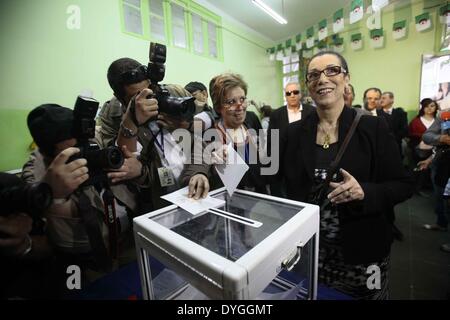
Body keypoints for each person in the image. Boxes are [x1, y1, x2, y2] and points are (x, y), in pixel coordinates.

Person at [280, 51, 414, 299]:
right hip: (311, 252)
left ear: (346, 78)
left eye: (332, 70)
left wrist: (365, 191)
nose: (322, 79)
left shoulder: (373, 128)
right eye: (314, 75)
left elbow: (404, 184)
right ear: (309, 85)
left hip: (363, 252)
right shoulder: (293, 133)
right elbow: (270, 177)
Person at [22, 104, 139, 297]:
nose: (83, 153)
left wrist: (136, 168)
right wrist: (54, 194)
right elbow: (58, 238)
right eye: (72, 151)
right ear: (47, 153)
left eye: (83, 144)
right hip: (84, 262)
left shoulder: (96, 140)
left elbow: (128, 152)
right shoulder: (38, 174)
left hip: (126, 243)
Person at [97, 58, 209, 211]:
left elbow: (203, 129)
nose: (147, 101)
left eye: (148, 91)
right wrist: (131, 120)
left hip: (195, 188)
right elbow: (124, 165)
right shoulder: (112, 116)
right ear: (120, 98)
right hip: (156, 203)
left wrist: (187, 125)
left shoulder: (172, 93)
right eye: (137, 97)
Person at [183, 73, 267, 194]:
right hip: (229, 204)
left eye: (242, 99)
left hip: (258, 199)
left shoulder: (251, 122)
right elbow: (197, 167)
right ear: (219, 107)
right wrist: (204, 172)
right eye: (231, 102)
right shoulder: (210, 135)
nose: (239, 106)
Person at [268, 82, 315, 196]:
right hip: (284, 165)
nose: (292, 95)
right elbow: (272, 142)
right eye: (288, 93)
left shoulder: (312, 112)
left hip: (306, 164)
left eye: (295, 92)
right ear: (285, 96)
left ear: (301, 94)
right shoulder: (276, 115)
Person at [422, 109, 450, 232]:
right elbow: (427, 136)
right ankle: (441, 223)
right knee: (440, 196)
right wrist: (440, 138)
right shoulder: (445, 115)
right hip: (442, 163)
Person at [380, 92, 408, 157]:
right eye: (380, 98)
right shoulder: (376, 114)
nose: (381, 100)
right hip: (380, 146)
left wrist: (393, 139)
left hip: (396, 145)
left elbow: (404, 130)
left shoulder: (400, 113)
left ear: (392, 99)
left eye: (384, 98)